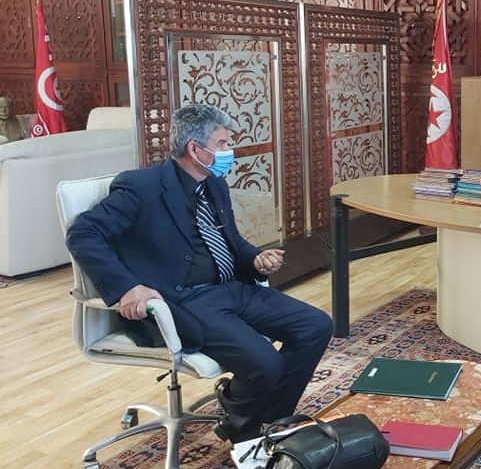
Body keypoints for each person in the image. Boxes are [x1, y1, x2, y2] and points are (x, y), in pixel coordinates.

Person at [66, 104, 333, 443]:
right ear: (195, 149)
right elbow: (83, 234)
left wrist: (255, 258)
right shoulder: (140, 187)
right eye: (222, 143)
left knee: (316, 326)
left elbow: (230, 240)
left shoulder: (214, 184)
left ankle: (263, 418)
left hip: (230, 288)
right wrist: (128, 287)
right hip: (184, 301)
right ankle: (243, 426)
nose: (229, 151)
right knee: (264, 362)